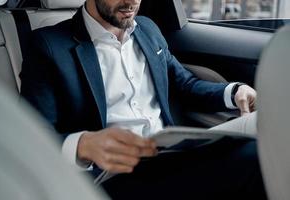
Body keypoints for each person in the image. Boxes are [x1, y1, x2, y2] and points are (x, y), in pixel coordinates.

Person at [20, 0, 266, 199]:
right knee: (255, 160)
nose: (131, 3)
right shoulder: (48, 45)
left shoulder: (147, 28)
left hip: (172, 154)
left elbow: (185, 85)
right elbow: (32, 136)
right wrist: (84, 144)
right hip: (115, 174)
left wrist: (234, 93)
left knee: (262, 149)